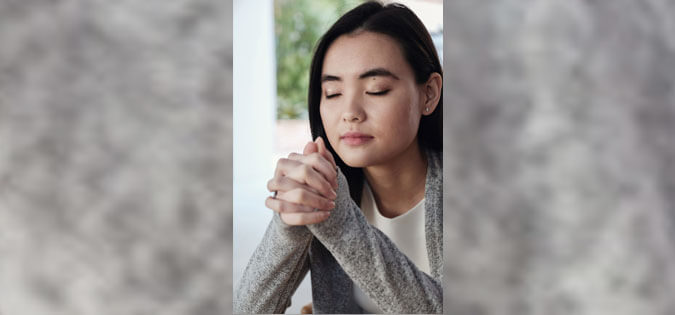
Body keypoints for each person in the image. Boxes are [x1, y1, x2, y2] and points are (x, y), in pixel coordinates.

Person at [234, 1, 442, 313]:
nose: (350, 113)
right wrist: (289, 225)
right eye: (332, 93)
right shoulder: (327, 188)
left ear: (429, 93)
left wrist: (343, 225)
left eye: (376, 89)